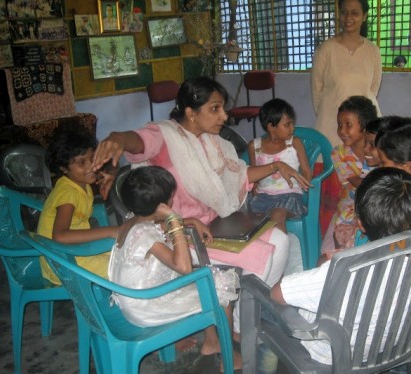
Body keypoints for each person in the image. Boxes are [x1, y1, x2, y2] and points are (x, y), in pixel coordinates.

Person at [93, 76, 312, 336]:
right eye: (215, 108)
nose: (224, 116)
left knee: (281, 241)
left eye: (222, 108)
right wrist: (117, 138)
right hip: (183, 233)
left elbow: (240, 175)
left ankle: (244, 315)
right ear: (191, 113)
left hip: (218, 222)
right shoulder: (164, 136)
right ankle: (239, 326)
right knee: (262, 258)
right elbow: (136, 140)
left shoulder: (214, 142)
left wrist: (276, 165)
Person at [270, 167, 411, 367]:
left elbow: (277, 293)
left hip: (330, 355)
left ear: (360, 224)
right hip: (392, 346)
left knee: (263, 301)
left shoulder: (344, 269)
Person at [108, 166, 240, 368]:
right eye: (171, 197)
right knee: (221, 283)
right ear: (162, 205)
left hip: (131, 299)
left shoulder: (131, 221)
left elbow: (156, 228)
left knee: (206, 278)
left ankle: (213, 341)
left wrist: (190, 221)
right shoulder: (145, 234)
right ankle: (228, 355)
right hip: (147, 306)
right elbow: (184, 267)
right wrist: (173, 218)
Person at [311, 0, 383, 236]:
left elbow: (373, 87)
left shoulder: (372, 50)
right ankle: (329, 241)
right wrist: (338, 122)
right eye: (344, 13)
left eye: (354, 13)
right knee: (333, 194)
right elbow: (317, 91)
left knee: (369, 184)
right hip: (332, 127)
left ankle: (364, 235)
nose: (348, 18)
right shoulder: (326, 50)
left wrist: (363, 125)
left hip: (365, 130)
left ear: (364, 16)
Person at [38, 127, 118, 285]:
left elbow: (114, 164)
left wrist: (110, 174)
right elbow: (60, 236)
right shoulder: (67, 193)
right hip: (62, 263)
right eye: (82, 162)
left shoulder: (79, 183)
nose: (90, 166)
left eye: (93, 158)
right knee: (123, 268)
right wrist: (111, 231)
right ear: (64, 168)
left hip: (73, 252)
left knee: (124, 254)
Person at [319, 96, 377, 263]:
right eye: (339, 125)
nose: (342, 131)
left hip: (374, 209)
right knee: (329, 255)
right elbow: (356, 183)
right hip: (348, 209)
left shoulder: (379, 149)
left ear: (364, 125)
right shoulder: (338, 153)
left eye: (348, 125)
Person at [247, 98, 312, 233]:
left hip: (289, 194)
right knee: (253, 222)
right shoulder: (255, 146)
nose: (292, 128)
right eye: (287, 124)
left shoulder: (294, 143)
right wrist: (254, 192)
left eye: (292, 124)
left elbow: (307, 171)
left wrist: (303, 186)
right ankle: (263, 251)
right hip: (263, 196)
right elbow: (254, 175)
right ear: (271, 126)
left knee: (277, 216)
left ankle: (279, 250)